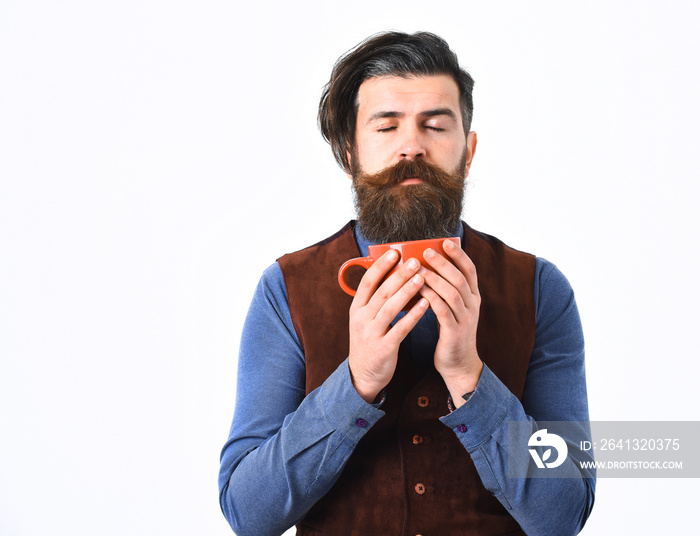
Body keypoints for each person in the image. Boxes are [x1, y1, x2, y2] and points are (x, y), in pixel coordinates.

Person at [218, 31, 595, 536]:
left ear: (469, 150)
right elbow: (247, 512)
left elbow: (564, 514)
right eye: (386, 127)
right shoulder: (286, 289)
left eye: (436, 126)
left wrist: (469, 378)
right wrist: (356, 383)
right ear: (349, 152)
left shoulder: (539, 289)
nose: (412, 147)